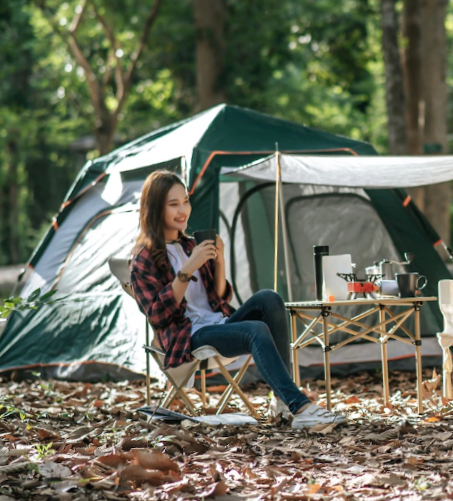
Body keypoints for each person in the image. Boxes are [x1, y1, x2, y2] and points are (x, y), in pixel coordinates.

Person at [129, 170, 344, 429]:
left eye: (185, 201)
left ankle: (283, 400)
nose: (182, 210)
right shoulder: (144, 257)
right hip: (186, 337)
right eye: (173, 204)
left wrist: (219, 261)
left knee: (269, 298)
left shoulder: (189, 245)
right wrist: (189, 267)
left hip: (216, 324)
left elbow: (218, 298)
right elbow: (158, 316)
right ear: (154, 209)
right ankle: (301, 406)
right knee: (256, 329)